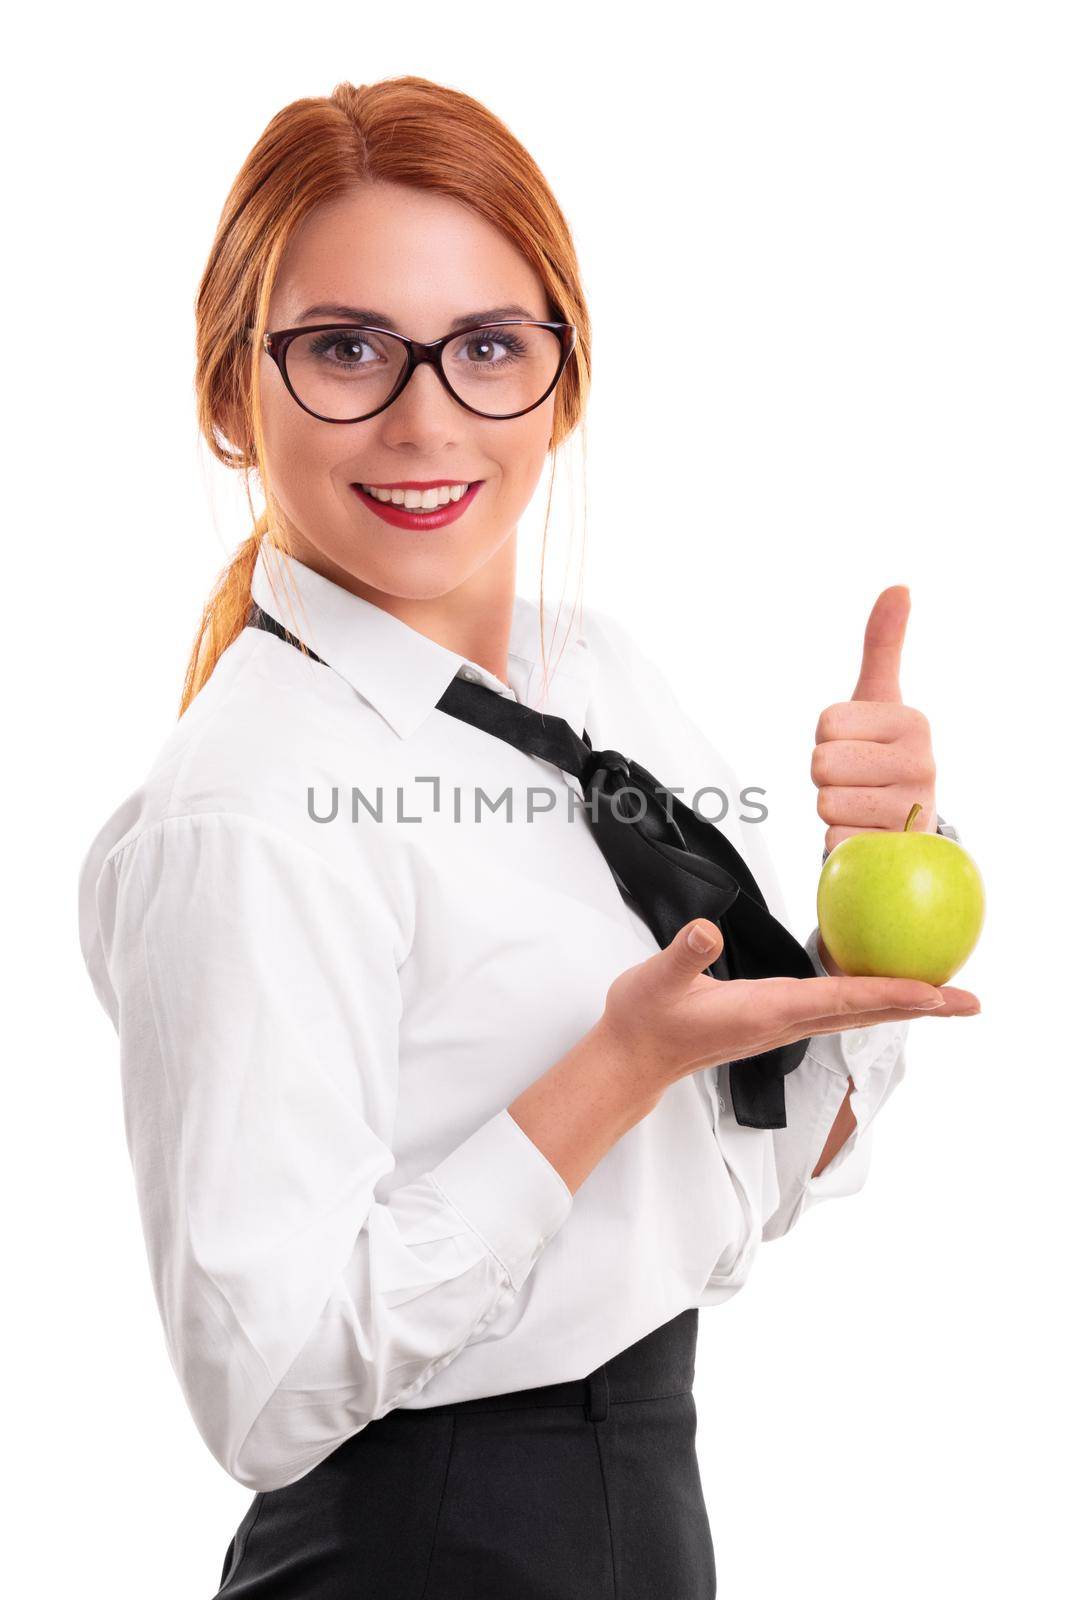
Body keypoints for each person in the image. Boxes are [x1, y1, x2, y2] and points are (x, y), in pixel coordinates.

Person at [76, 75, 980, 1600]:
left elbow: (753, 1177)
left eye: (488, 345)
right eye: (347, 348)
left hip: (640, 1504)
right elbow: (263, 1386)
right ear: (232, 396)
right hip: (423, 1548)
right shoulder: (241, 811)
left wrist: (873, 892)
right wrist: (608, 1074)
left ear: (562, 383)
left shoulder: (589, 683)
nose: (426, 417)